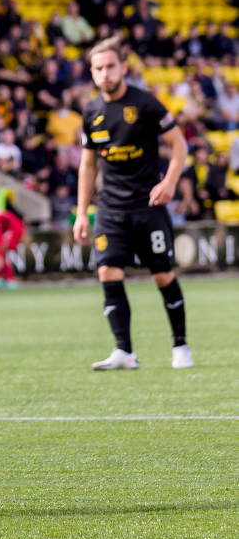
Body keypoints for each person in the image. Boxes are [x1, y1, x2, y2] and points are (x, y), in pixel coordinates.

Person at [73, 37, 191, 371]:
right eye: (98, 68)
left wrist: (168, 183)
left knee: (162, 275)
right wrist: (82, 212)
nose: (105, 73)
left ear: (123, 67)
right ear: (92, 73)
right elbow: (87, 165)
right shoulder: (91, 112)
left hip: (148, 205)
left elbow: (179, 144)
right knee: (107, 271)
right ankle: (123, 351)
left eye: (110, 66)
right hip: (110, 208)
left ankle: (181, 345)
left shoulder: (146, 104)